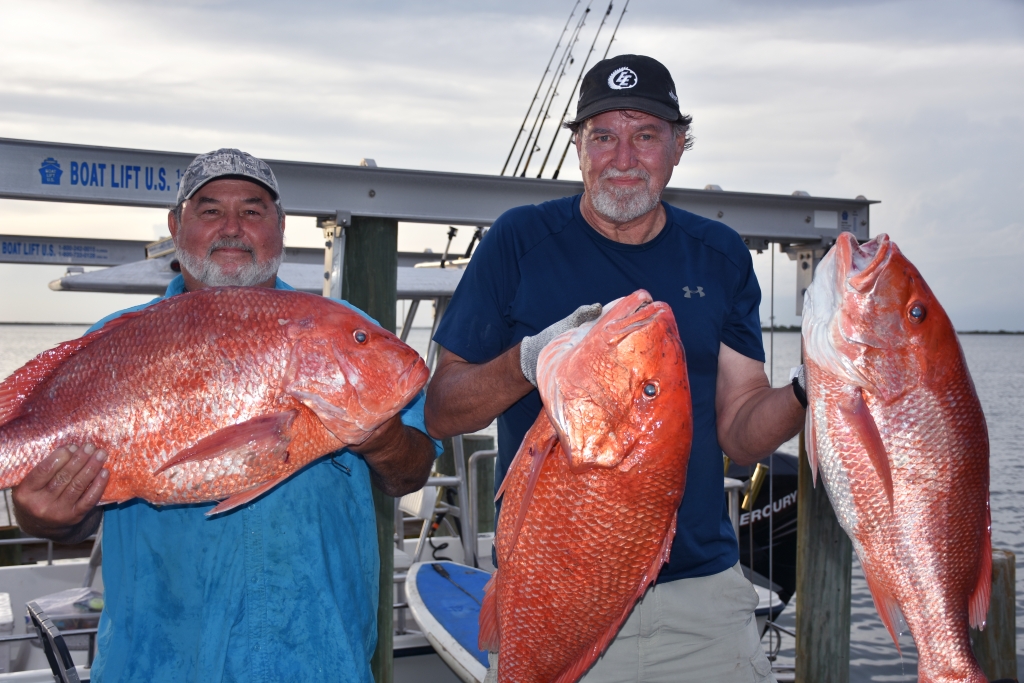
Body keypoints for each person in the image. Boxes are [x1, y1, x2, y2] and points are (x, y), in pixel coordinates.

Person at [425, 55, 806, 682]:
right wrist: (528, 361)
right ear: (578, 145)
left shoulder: (721, 256)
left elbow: (740, 429)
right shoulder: (517, 241)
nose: (622, 156)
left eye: (647, 134)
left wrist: (805, 388)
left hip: (700, 603)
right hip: (553, 591)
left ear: (679, 146)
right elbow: (442, 408)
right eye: (603, 135)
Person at [12, 148, 440, 683]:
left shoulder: (344, 329)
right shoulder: (116, 339)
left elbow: (412, 470)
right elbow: (66, 514)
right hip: (157, 664)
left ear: (281, 228)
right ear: (176, 227)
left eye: (253, 211)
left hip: (316, 660)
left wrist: (378, 436)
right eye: (210, 210)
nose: (232, 227)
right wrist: (40, 512)